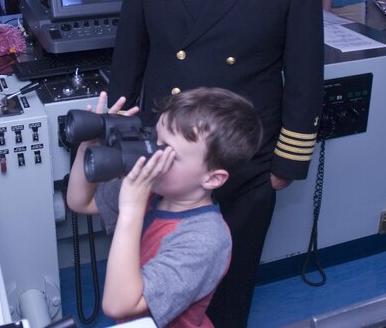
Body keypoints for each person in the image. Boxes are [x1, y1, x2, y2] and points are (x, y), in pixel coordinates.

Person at [107, 0, 323, 328]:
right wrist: (115, 144)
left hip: (244, 166)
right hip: (163, 164)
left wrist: (284, 164)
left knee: (227, 300)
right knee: (149, 293)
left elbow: (305, 71)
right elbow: (128, 56)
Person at [67, 88, 262, 327]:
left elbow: (118, 305)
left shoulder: (206, 239)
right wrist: (88, 145)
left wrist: (131, 210)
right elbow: (80, 202)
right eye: (155, 140)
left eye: (169, 153)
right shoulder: (154, 191)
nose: (153, 155)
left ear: (212, 179)